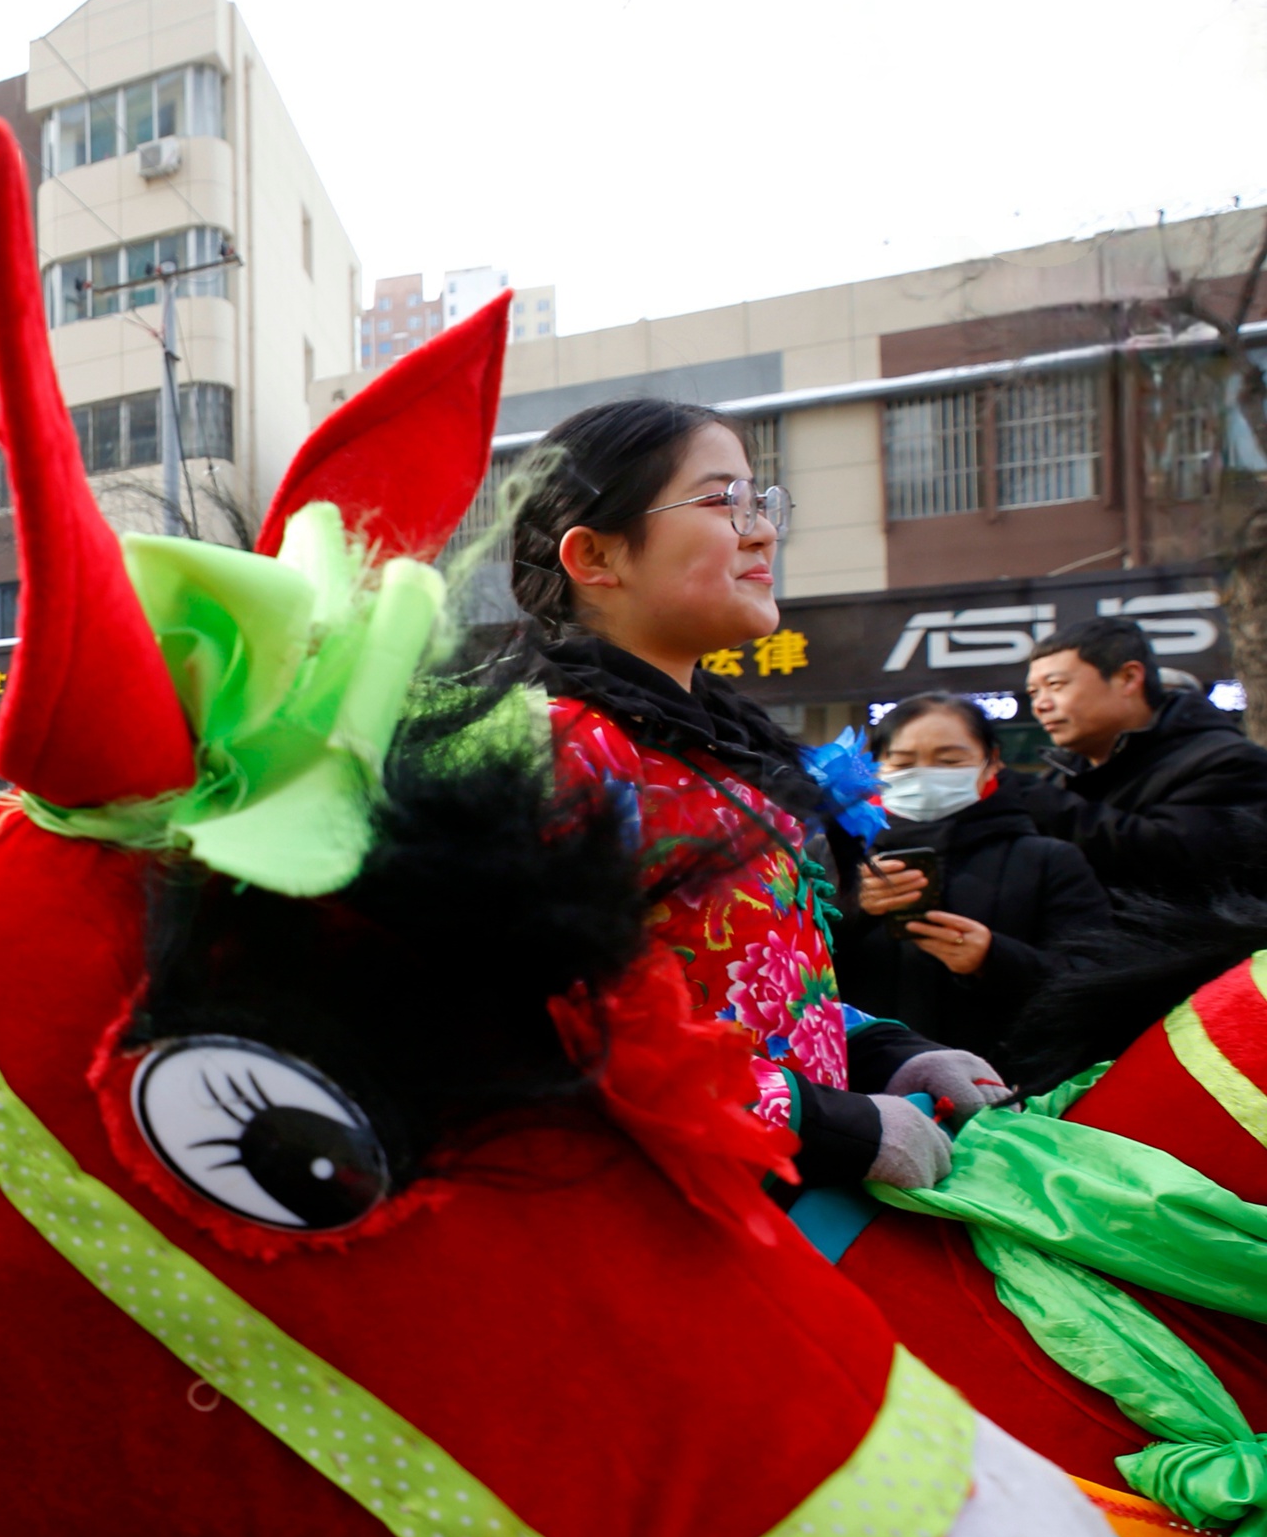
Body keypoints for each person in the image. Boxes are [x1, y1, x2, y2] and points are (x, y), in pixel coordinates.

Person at [507, 397, 1006, 1191]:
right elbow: (543, 1032)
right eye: (720, 501)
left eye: (760, 500)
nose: (764, 529)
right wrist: (821, 1121)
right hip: (680, 1222)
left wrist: (882, 1050)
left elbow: (747, 992)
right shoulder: (561, 747)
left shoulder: (715, 751)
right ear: (595, 555)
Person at [838, 693, 1111, 1069]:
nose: (926, 774)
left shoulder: (1048, 860)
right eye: (902, 762)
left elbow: (1098, 980)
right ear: (876, 767)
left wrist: (993, 959)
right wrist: (850, 908)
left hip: (1004, 1087)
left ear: (991, 762)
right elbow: (786, 967)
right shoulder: (835, 856)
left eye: (950, 761)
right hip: (863, 1085)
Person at [1008, 616, 1267, 903]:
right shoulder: (1058, 779)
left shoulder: (1228, 762)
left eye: (1055, 685)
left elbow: (1178, 864)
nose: (1041, 705)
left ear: (1129, 678)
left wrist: (1037, 800)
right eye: (1034, 692)